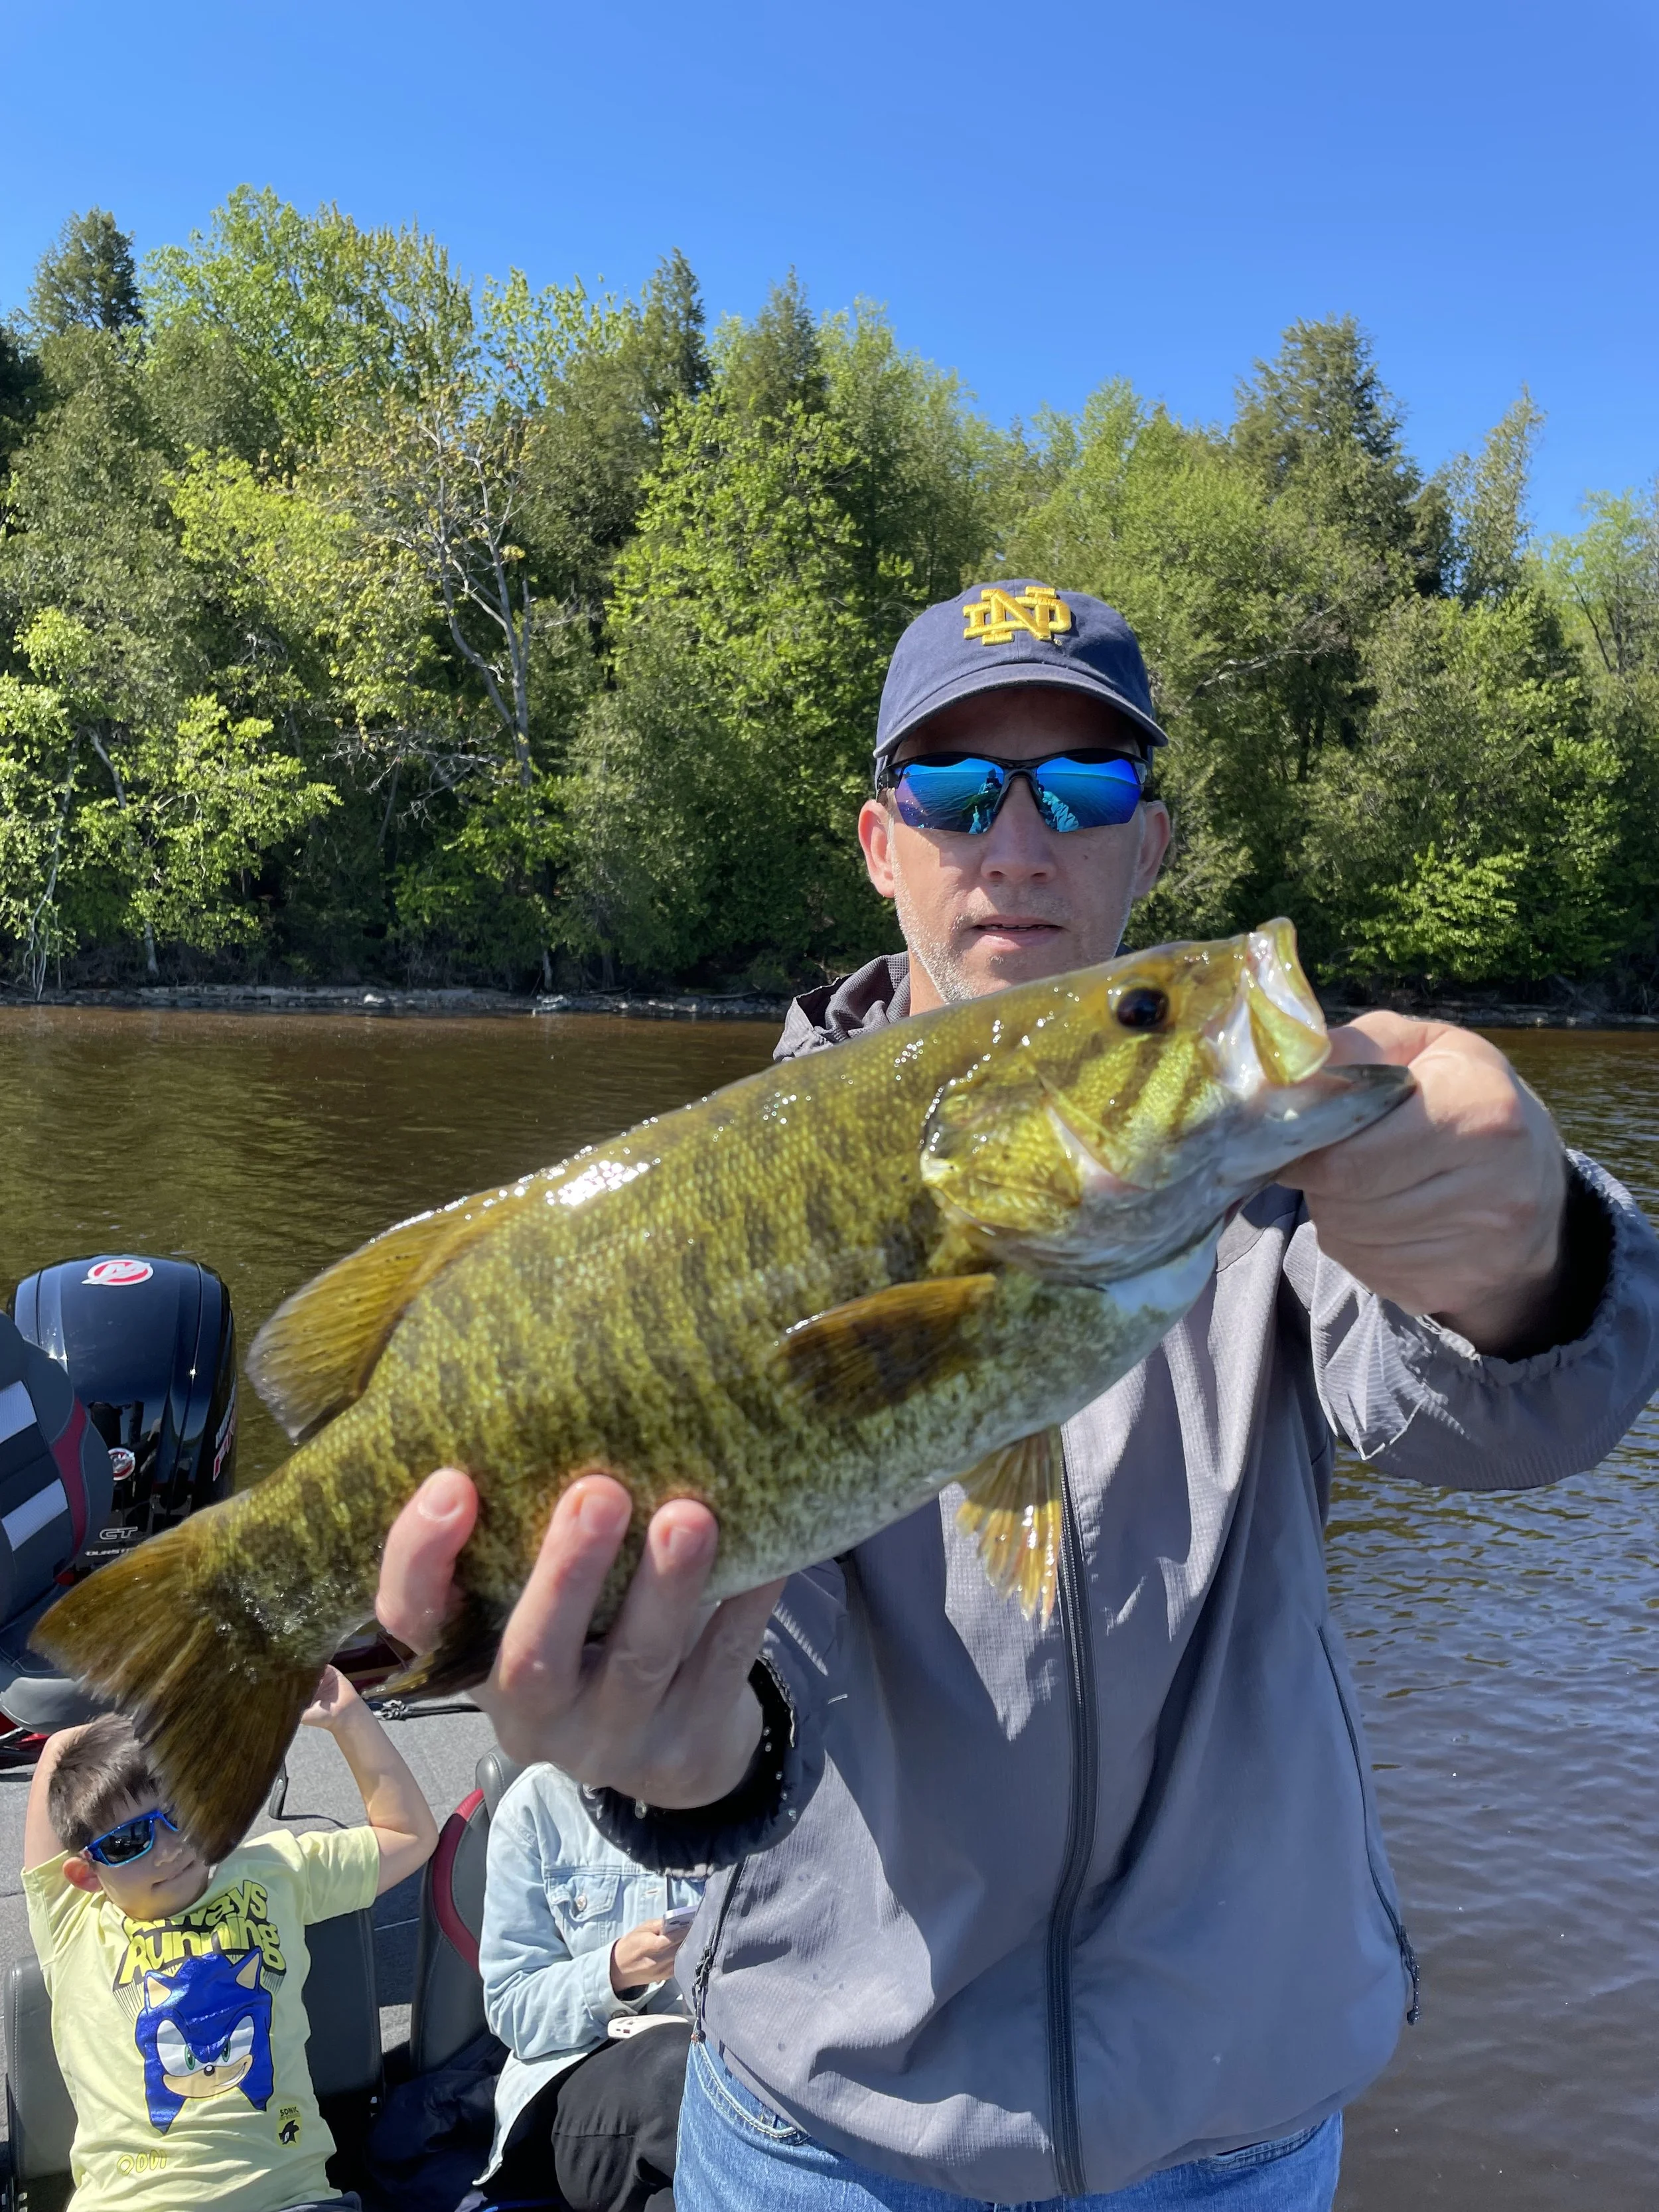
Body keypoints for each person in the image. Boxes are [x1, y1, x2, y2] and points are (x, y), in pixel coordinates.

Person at [373, 582, 1659, 2212]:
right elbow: (735, 1711)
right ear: (876, 839)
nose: (1020, 841)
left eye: (1088, 786)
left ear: (1152, 842)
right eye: (958, 790)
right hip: (823, 2136)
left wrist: (1532, 1250)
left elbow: (1519, 1419)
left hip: (1233, 2130)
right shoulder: (724, 1216)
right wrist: (666, 1768)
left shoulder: (1256, 1158)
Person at [23, 1664, 439, 2212]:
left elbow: (410, 1834)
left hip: (293, 2200)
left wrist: (347, 1717)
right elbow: (58, 1749)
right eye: (127, 1840)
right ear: (85, 1873)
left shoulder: (275, 1871)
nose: (167, 1847)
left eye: (179, 1812)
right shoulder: (71, 1919)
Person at [476, 1760, 701, 2211]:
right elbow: (511, 2007)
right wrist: (614, 1971)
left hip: (725, 2064)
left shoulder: (757, 1784)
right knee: (679, 2068)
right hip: (586, 2082)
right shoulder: (538, 1801)